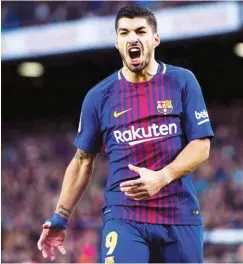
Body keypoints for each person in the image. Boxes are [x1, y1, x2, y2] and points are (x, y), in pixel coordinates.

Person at [37, 5, 214, 263]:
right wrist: (59, 217)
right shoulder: (98, 97)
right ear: (117, 42)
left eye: (141, 31)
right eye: (125, 32)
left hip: (180, 216)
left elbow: (201, 146)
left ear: (155, 38)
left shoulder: (182, 82)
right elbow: (83, 160)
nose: (133, 37)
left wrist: (162, 177)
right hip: (125, 217)